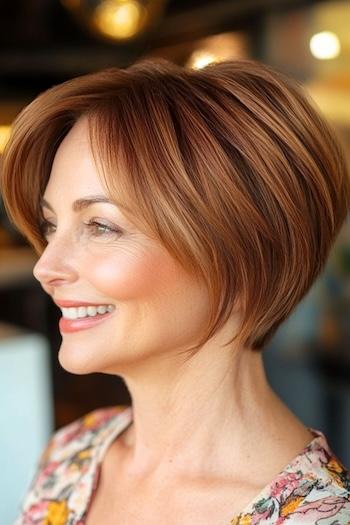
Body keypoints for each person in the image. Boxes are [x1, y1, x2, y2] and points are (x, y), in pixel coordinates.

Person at [1, 57, 350, 525]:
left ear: (237, 254)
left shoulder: (320, 517)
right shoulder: (72, 454)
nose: (46, 266)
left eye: (101, 226)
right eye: (51, 225)